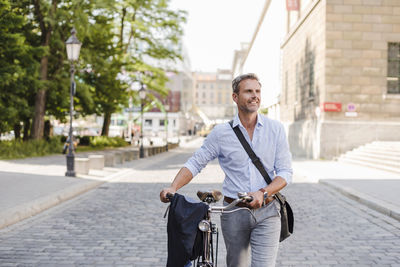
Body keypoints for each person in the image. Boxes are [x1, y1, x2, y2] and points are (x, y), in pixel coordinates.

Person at [160, 73, 292, 267]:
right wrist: (173, 187)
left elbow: (285, 172)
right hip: (234, 212)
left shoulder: (275, 129)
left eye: (257, 91)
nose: (255, 95)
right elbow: (196, 162)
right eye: (248, 91)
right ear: (235, 97)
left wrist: (263, 193)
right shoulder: (221, 133)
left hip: (268, 210)